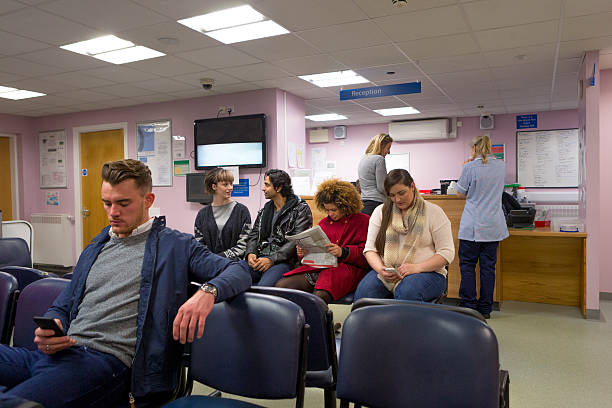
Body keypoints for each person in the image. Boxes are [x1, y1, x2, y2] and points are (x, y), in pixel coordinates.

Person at [0, 159, 251, 408]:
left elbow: (239, 270)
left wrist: (207, 292)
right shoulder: (96, 247)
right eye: (107, 203)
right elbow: (62, 306)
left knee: (19, 402)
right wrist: (54, 325)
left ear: (148, 201)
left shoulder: (175, 245)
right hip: (56, 354)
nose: (113, 212)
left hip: (104, 363)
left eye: (123, 203)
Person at [354, 169, 454, 302]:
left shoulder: (434, 212)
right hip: (390, 271)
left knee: (407, 292)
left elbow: (447, 253)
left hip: (428, 273)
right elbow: (370, 250)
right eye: (392, 195)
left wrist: (417, 267)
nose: (397, 199)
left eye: (402, 193)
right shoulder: (380, 212)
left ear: (412, 186)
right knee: (364, 294)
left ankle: (400, 323)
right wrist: (380, 269)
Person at [276, 179, 370, 304]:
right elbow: (314, 254)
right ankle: (293, 321)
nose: (330, 214)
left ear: (346, 205)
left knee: (319, 296)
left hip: (346, 269)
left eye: (334, 210)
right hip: (319, 268)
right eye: (327, 210)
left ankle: (318, 323)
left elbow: (367, 253)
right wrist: (304, 252)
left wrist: (343, 252)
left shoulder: (363, 221)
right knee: (281, 287)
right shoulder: (324, 223)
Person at [456, 135, 508, 319]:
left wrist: (466, 167)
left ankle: (469, 306)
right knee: (488, 268)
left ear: (475, 148)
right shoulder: (501, 166)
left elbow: (460, 193)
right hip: (493, 226)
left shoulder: (470, 167)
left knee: (468, 266)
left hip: (472, 226)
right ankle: (485, 309)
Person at [245, 169, 312, 286]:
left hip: (284, 261)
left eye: (267, 185)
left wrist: (272, 259)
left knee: (263, 289)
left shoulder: (301, 209)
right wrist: (251, 253)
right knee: (234, 275)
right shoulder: (266, 209)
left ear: (279, 188)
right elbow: (254, 234)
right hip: (260, 257)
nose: (263, 188)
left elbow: (297, 241)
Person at [194, 167, 251, 260]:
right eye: (225, 184)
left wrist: (219, 258)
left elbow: (244, 245)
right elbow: (199, 244)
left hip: (234, 265)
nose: (230, 188)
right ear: (214, 187)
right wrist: (210, 260)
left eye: (231, 184)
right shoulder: (202, 214)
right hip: (208, 265)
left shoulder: (242, 211)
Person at [357, 133, 393, 216]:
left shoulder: (363, 158)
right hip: (376, 203)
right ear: (381, 146)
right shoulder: (379, 159)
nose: (389, 152)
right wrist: (392, 195)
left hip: (364, 203)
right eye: (388, 148)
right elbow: (381, 187)